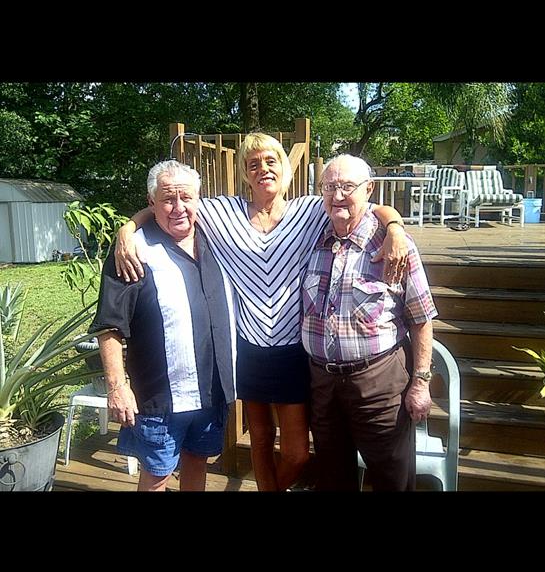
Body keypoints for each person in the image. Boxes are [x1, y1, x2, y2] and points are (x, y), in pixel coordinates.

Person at [114, 134, 409, 492]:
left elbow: (365, 204)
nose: (262, 169)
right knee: (260, 441)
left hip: (292, 351)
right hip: (248, 348)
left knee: (297, 452)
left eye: (270, 161)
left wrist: (394, 226)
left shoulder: (310, 211)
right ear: (244, 172)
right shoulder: (221, 212)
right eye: (253, 163)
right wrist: (127, 229)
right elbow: (172, 205)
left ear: (283, 167)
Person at [88, 161, 236, 491]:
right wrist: (117, 386)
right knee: (157, 476)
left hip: (212, 389)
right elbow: (110, 324)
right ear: (151, 201)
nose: (179, 207)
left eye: (187, 197)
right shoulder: (134, 250)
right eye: (168, 199)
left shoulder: (219, 238)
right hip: (160, 395)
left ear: (199, 199)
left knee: (198, 462)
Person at [301, 155, 438, 492]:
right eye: (329, 187)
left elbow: (421, 319)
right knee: (333, 478)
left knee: (391, 478)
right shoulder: (311, 237)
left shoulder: (393, 246)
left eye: (347, 187)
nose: (337, 196)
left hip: (378, 383)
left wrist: (421, 382)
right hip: (322, 382)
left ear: (369, 190)